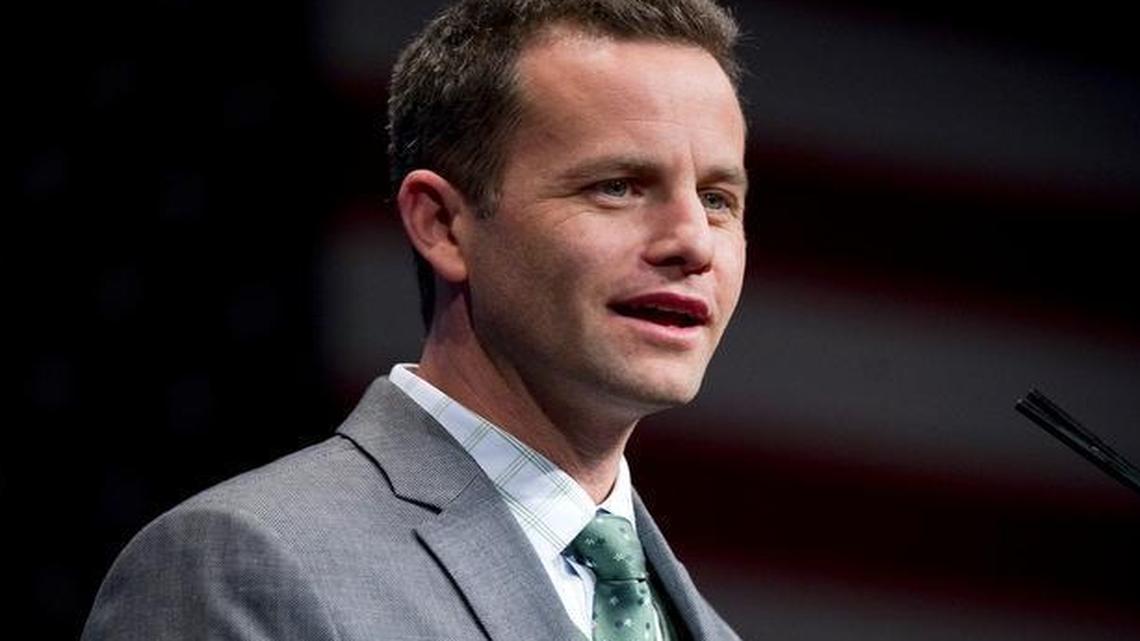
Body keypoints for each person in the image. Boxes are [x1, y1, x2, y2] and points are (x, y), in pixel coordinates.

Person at [81, 0, 748, 639]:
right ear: (443, 225)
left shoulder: (701, 624)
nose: (694, 242)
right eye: (618, 186)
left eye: (718, 199)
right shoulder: (242, 564)